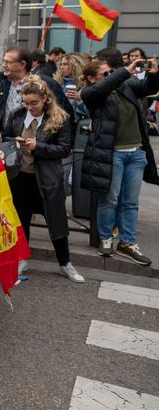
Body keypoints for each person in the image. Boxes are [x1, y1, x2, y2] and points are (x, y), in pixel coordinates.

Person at [0, 76, 82, 282]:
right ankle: (21, 259)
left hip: (47, 177)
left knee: (56, 221)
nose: (29, 107)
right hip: (19, 176)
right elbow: (7, 137)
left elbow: (64, 149)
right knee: (20, 220)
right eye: (25, 103)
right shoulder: (18, 115)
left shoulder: (59, 118)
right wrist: (4, 139)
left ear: (45, 98)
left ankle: (65, 263)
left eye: (33, 103)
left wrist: (39, 146)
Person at [80, 53, 159, 266]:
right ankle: (106, 238)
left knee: (130, 202)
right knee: (110, 199)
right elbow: (100, 90)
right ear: (91, 78)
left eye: (111, 72)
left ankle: (127, 243)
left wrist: (153, 74)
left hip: (136, 153)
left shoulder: (127, 85)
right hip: (111, 153)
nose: (110, 75)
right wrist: (124, 71)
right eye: (104, 73)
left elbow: (148, 89)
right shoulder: (90, 93)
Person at [0, 46, 73, 138]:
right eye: (4, 61)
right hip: (4, 142)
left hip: (37, 144)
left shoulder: (46, 84)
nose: (3, 65)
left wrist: (66, 143)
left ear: (22, 65)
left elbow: (66, 114)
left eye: (8, 62)